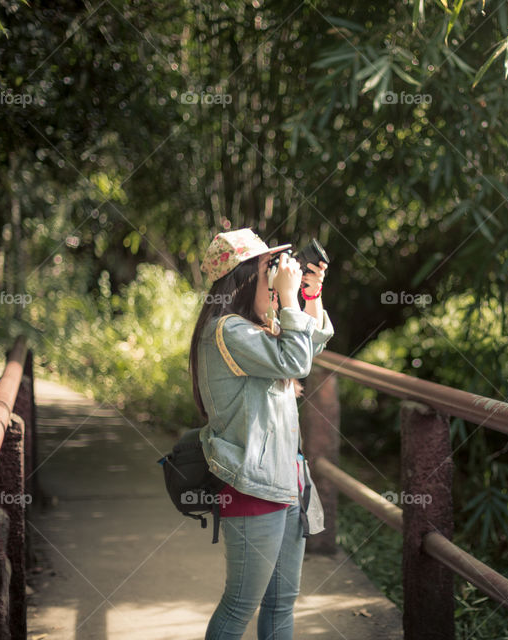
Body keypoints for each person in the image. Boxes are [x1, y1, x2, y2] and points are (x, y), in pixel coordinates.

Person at [188, 225, 333, 640]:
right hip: (253, 488)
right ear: (245, 276)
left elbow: (308, 346)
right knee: (239, 608)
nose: (277, 278)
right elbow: (296, 362)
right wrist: (288, 299)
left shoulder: (256, 329)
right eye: (271, 269)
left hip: (288, 482)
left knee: (280, 605)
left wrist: (307, 298)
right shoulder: (226, 331)